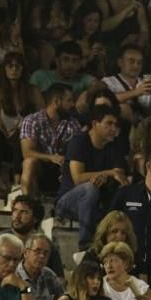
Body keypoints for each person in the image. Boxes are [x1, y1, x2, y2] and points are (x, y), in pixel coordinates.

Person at [55, 104, 127, 250]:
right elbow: (78, 178)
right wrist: (108, 173)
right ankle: (85, 245)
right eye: (109, 123)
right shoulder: (79, 141)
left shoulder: (113, 146)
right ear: (95, 124)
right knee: (90, 188)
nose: (114, 128)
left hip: (95, 205)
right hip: (68, 201)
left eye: (116, 125)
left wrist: (107, 177)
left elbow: (120, 175)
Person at [0, 52, 42, 194]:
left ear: (23, 70)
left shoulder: (33, 92)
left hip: (28, 142)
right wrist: (8, 135)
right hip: (5, 141)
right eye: (10, 66)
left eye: (18, 66)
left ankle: (17, 182)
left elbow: (42, 117)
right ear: (4, 69)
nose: (14, 70)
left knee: (21, 134)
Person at [18, 83, 81, 196]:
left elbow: (77, 152)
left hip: (62, 170)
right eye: (69, 100)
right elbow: (27, 152)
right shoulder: (32, 120)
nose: (73, 104)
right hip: (41, 169)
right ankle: (27, 201)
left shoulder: (72, 123)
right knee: (29, 162)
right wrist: (51, 157)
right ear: (57, 101)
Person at [102, 45, 151, 123]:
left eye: (139, 62)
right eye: (131, 61)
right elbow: (105, 100)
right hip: (121, 126)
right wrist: (137, 92)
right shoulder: (109, 81)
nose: (136, 65)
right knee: (123, 108)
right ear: (120, 62)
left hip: (146, 124)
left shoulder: (147, 82)